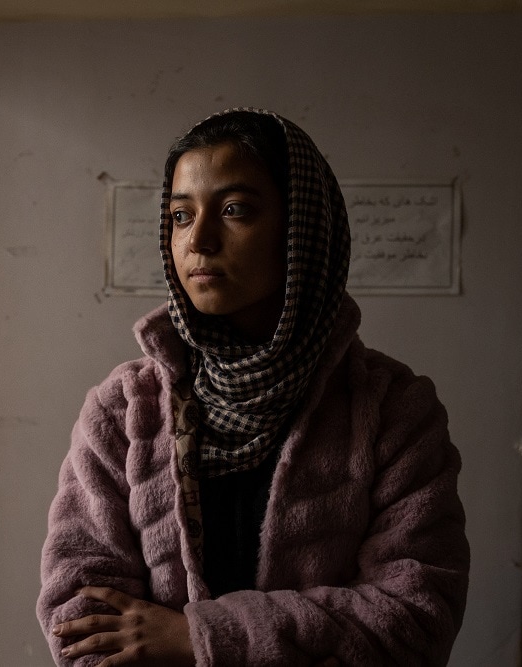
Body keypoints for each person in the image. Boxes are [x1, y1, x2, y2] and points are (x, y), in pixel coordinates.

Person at [37, 108, 469, 666]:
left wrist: (197, 639)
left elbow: (415, 619)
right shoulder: (124, 411)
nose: (200, 240)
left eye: (235, 210)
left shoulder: (392, 410)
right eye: (180, 215)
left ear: (301, 229)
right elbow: (79, 623)